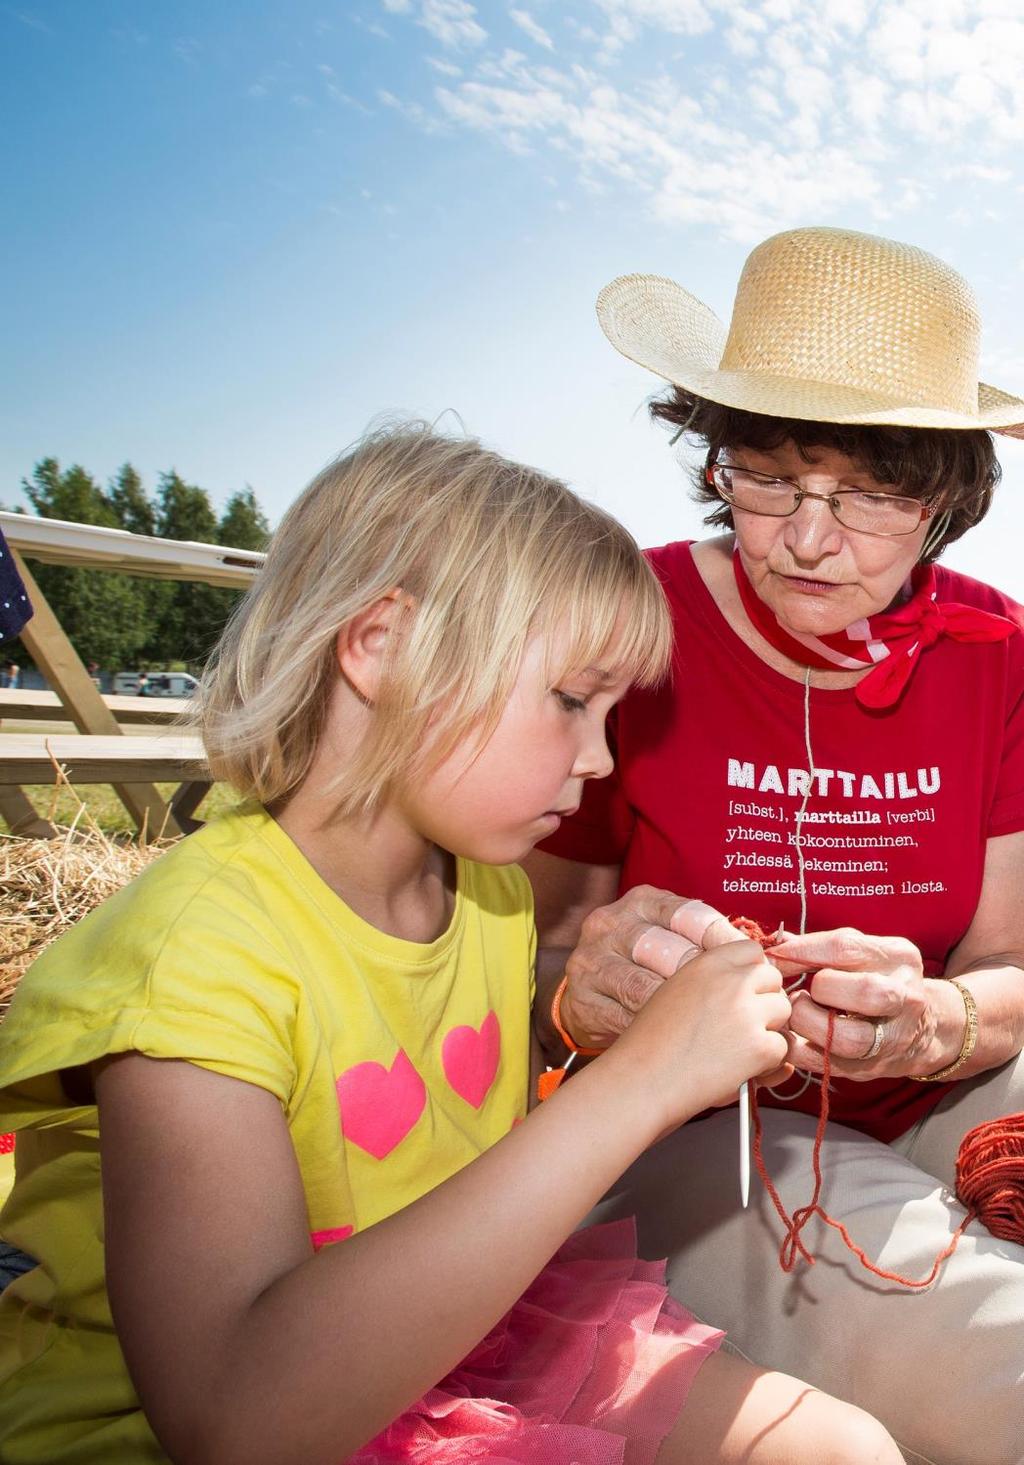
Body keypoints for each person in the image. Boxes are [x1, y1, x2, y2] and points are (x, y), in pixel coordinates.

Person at [0, 424, 901, 1465]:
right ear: (381, 646)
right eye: (571, 701)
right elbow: (233, 1418)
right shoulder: (193, 957)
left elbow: (465, 1139)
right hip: (234, 1410)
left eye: (610, 712)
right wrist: (642, 1083)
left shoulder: (493, 897)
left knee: (842, 1449)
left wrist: (621, 1020)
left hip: (459, 1342)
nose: (602, 758)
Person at [526, 226, 1024, 1465]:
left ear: (948, 499)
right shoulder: (626, 624)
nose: (808, 538)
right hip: (703, 1123)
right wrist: (586, 998)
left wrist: (934, 1023)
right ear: (716, 462)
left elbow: (1010, 959)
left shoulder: (1001, 652)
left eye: (868, 494)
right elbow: (523, 957)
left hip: (940, 1091)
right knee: (990, 1338)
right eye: (768, 478)